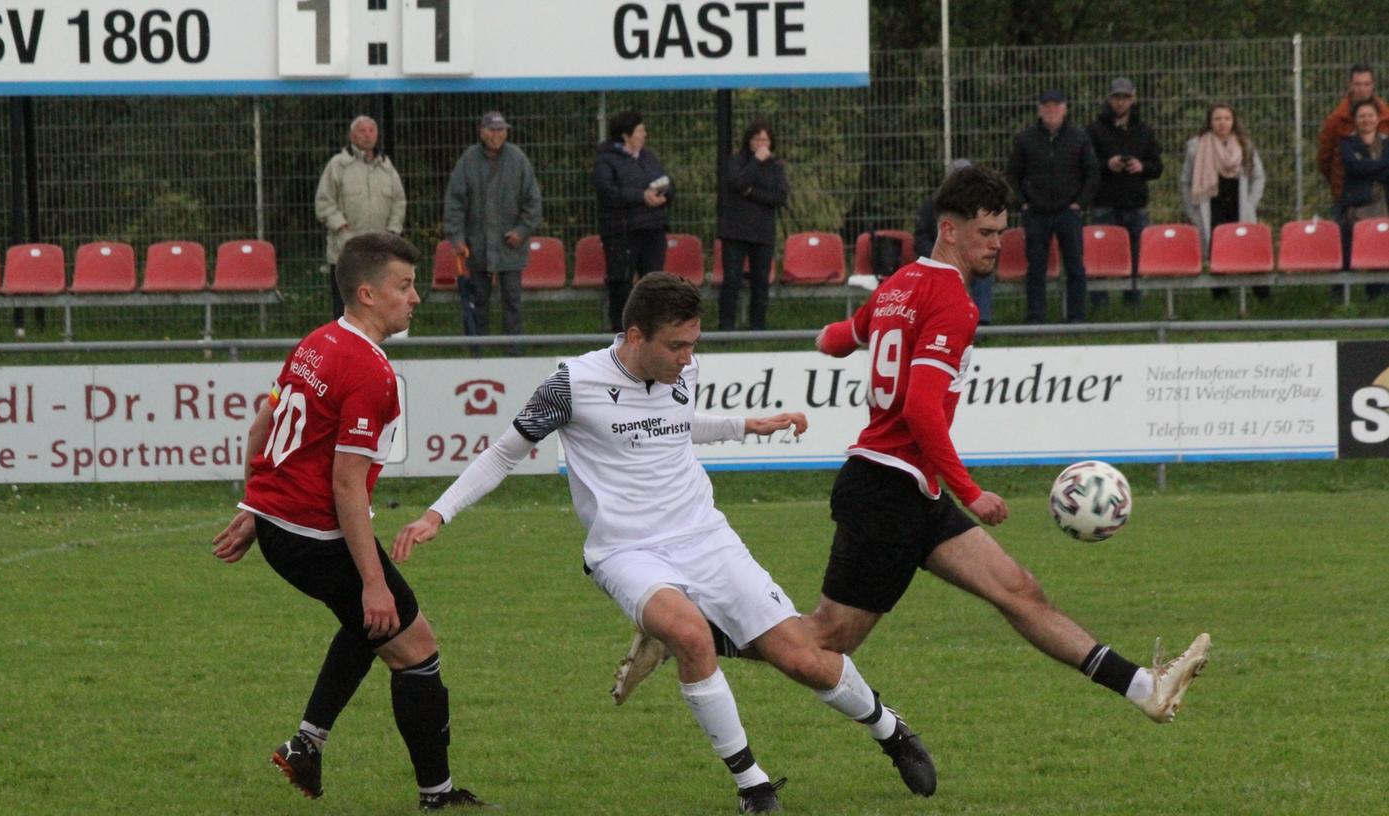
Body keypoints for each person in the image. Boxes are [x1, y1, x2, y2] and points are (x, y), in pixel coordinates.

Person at [611, 168, 1213, 761]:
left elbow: (841, 337)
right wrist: (970, 491)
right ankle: (689, 636)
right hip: (886, 489)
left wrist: (831, 339)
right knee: (824, 643)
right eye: (985, 233)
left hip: (909, 487)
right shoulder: (953, 301)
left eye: (1001, 232)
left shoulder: (899, 284)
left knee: (1019, 591)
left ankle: (1146, 689)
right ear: (949, 230)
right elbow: (922, 407)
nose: (996, 245)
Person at [392, 272, 937, 813]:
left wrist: (749, 425)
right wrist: (438, 513)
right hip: (625, 551)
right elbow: (504, 453)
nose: (687, 356)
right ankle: (754, 786)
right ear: (635, 337)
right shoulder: (571, 385)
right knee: (690, 635)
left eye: (693, 344)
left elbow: (676, 423)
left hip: (705, 536)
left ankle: (891, 731)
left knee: (804, 659)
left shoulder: (684, 370)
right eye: (676, 345)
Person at [210, 232, 487, 811]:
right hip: (316, 535)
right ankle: (438, 799)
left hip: (285, 530)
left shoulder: (316, 342)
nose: (415, 298)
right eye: (403, 286)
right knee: (415, 648)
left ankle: (307, 744)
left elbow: (264, 428)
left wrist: (255, 508)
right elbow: (343, 483)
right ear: (367, 292)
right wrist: (373, 578)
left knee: (369, 628)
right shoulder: (370, 370)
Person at [443, 111, 543, 350]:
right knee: (478, 301)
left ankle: (513, 351)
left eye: (500, 130)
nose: (496, 135)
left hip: (511, 247)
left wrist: (521, 230)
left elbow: (533, 202)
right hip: (476, 247)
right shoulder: (468, 160)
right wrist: (456, 238)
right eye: (491, 130)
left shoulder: (519, 160)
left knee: (512, 301)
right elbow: (454, 204)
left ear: (506, 132)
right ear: (482, 131)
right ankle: (478, 352)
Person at [1007, 89, 1098, 323]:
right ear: (1039, 110)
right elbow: (1012, 176)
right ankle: (1035, 317)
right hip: (1036, 213)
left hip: (1069, 212)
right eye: (1046, 106)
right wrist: (1023, 203)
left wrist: (1080, 203)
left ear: (1065, 108)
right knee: (1036, 268)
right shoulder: (1025, 139)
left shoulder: (1079, 137)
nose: (1051, 110)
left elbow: (1092, 173)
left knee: (1075, 267)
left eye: (1056, 106)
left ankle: (1077, 316)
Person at [315, 116, 408, 320]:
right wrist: (341, 228)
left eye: (371, 131)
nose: (367, 135)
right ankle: (343, 350)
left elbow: (399, 201)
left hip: (379, 253)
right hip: (345, 251)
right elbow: (324, 202)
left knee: (376, 306)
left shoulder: (387, 166)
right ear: (351, 135)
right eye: (362, 131)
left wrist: (392, 231)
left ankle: (372, 349)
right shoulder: (337, 165)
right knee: (346, 307)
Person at [593, 111, 674, 333]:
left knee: (654, 282)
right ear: (626, 135)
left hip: (653, 228)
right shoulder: (606, 161)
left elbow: (666, 180)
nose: (644, 134)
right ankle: (620, 330)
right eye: (640, 130)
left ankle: (652, 330)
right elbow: (607, 192)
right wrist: (641, 197)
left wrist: (665, 194)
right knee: (621, 282)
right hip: (622, 231)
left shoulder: (648, 157)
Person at [1086, 77, 1163, 307]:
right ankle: (1099, 303)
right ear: (1110, 99)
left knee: (1136, 255)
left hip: (1135, 202)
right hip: (1104, 202)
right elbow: (1086, 165)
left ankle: (1134, 302)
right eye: (1117, 97)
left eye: (1125, 97)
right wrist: (1107, 164)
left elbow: (1157, 167)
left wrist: (1142, 166)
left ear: (1133, 98)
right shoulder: (1094, 130)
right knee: (1100, 255)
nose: (1121, 102)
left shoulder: (1145, 131)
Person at [1180, 104, 1267, 300]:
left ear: (1233, 121)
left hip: (1239, 204)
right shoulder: (1196, 147)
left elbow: (1258, 177)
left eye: (1226, 118)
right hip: (1212, 204)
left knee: (1249, 248)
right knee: (1216, 250)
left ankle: (1262, 296)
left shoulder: (1245, 145)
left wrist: (1250, 204)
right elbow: (1185, 182)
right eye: (1217, 119)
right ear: (1210, 122)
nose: (1222, 123)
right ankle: (1221, 298)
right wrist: (1192, 211)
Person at [1319, 64, 1389, 296]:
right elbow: (1325, 157)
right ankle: (1340, 295)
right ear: (1350, 85)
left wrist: (1364, 169)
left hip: (1382, 195)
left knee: (1381, 244)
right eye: (1357, 84)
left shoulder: (1387, 117)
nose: (1361, 88)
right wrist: (1343, 179)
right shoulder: (1336, 120)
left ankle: (1378, 294)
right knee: (1344, 245)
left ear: (1373, 85)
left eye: (1366, 84)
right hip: (1347, 194)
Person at [718, 119, 788, 331]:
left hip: (763, 233)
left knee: (761, 282)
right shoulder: (736, 161)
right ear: (749, 141)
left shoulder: (776, 167)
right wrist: (756, 162)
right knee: (731, 281)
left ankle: (758, 328)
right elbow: (737, 183)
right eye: (757, 139)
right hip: (735, 232)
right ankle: (726, 328)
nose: (761, 143)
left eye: (765, 139)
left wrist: (751, 193)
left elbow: (779, 196)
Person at [915, 158, 992, 322]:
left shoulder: (982, 208)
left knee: (982, 271)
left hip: (968, 258)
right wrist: (939, 257)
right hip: (939, 260)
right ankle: (943, 321)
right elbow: (920, 238)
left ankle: (982, 321)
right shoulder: (931, 206)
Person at [1338, 99, 1389, 300]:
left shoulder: (1387, 142)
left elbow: (1366, 170)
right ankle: (1343, 298)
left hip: (1383, 204)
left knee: (1382, 250)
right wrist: (1383, 164)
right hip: (1356, 207)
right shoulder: (1346, 143)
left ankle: (1377, 296)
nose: (1366, 119)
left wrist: (1366, 166)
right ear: (1355, 120)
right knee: (1351, 251)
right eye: (1361, 116)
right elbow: (1353, 168)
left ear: (1378, 119)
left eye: (1370, 115)